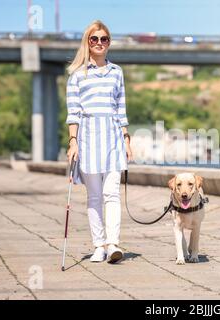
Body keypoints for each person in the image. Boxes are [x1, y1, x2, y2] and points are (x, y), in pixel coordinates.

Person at [65, 20, 133, 263]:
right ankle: (99, 246)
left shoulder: (117, 72)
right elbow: (73, 112)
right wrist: (73, 142)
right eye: (94, 39)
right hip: (88, 138)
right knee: (94, 197)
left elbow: (121, 108)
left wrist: (126, 138)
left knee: (112, 194)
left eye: (104, 39)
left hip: (113, 136)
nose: (99, 43)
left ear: (109, 42)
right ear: (88, 42)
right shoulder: (77, 75)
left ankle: (113, 244)